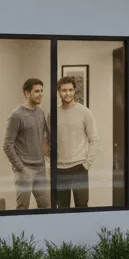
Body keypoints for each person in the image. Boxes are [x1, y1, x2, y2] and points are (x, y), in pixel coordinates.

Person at [51, 76, 100, 208]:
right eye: (64, 90)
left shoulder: (85, 112)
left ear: (74, 91)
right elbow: (48, 140)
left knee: (82, 207)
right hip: (59, 170)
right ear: (59, 92)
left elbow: (94, 140)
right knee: (62, 209)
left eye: (70, 90)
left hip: (79, 168)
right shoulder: (53, 114)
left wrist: (87, 165)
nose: (68, 93)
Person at [2, 77, 51, 210]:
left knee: (46, 206)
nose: (40, 94)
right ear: (27, 93)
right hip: (25, 170)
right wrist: (20, 167)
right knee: (23, 208)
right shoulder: (16, 115)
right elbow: (7, 145)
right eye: (37, 91)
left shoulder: (40, 113)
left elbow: (45, 137)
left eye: (41, 91)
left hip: (40, 169)